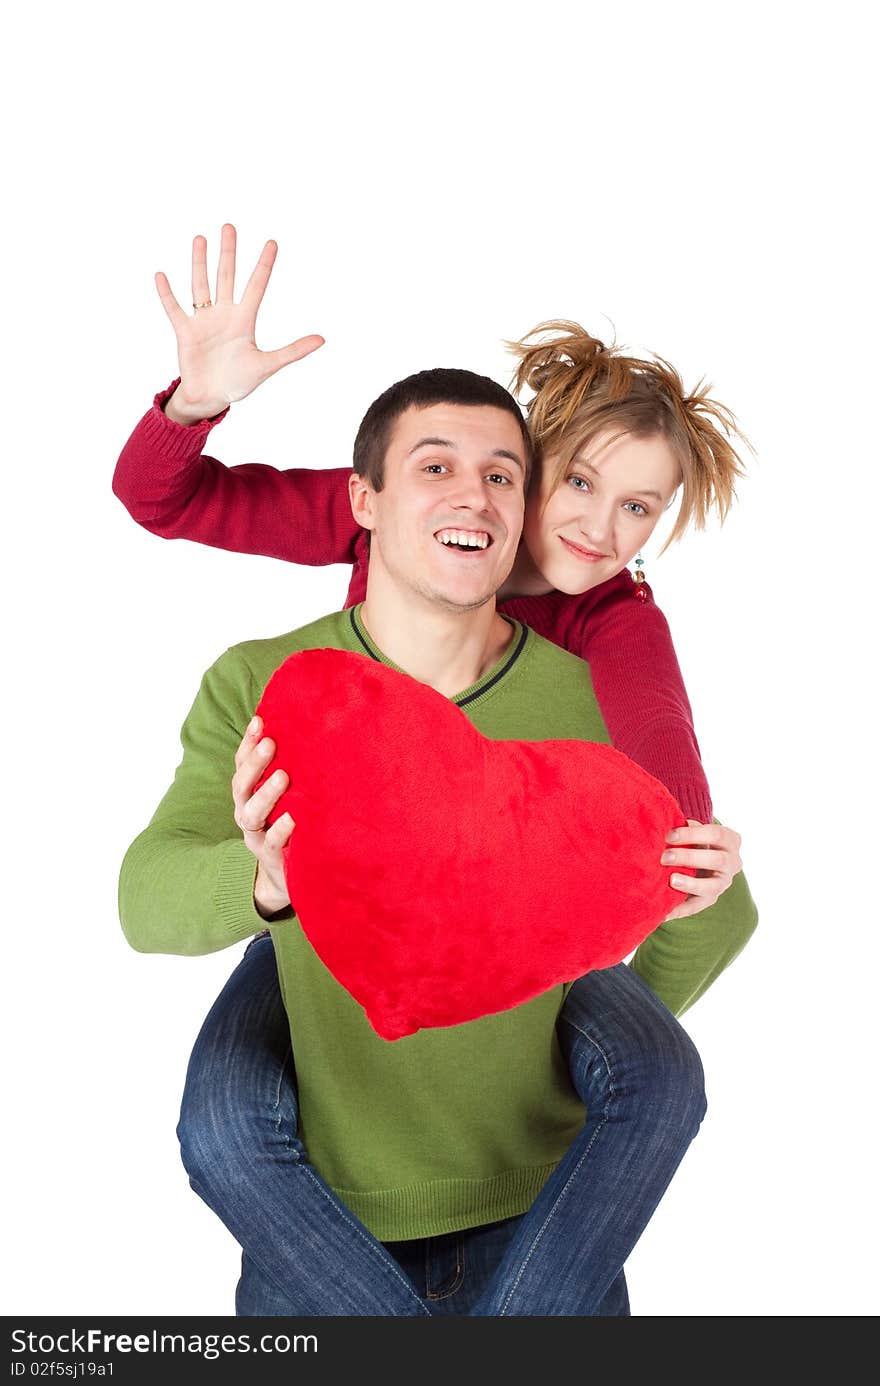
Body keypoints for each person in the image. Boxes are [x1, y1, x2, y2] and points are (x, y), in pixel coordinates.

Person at [116, 229, 757, 1315]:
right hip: (320, 1238)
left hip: (542, 1227)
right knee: (222, 1116)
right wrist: (268, 880)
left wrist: (585, 995)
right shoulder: (269, 678)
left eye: (500, 474)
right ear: (366, 504)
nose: (591, 528)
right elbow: (146, 903)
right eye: (436, 471)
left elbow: (698, 863)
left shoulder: (601, 653)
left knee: (659, 1074)